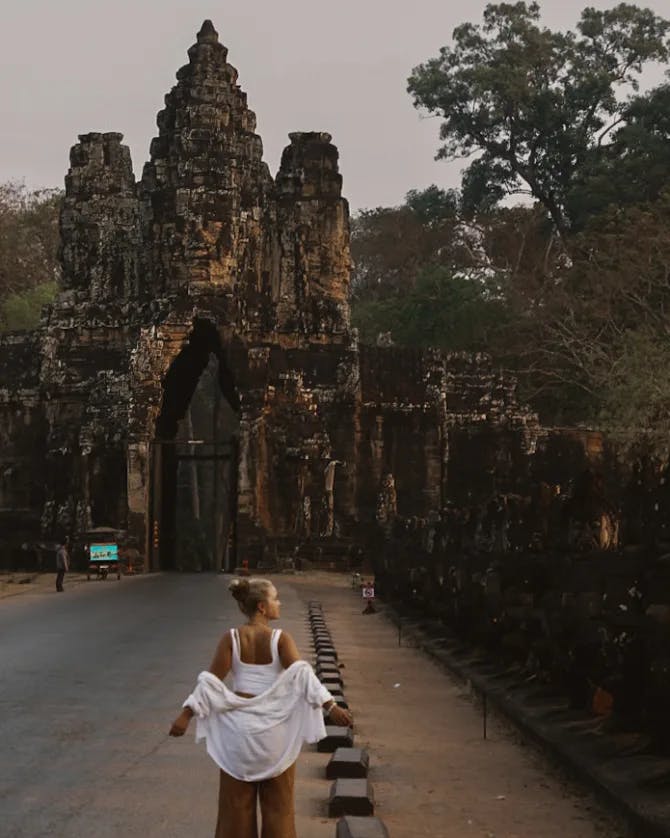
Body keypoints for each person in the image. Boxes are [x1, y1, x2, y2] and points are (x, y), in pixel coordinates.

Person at [169, 577, 352, 838]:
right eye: (275, 599)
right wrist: (330, 705)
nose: (280, 603)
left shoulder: (231, 638)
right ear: (263, 607)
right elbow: (303, 674)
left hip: (238, 737)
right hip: (273, 737)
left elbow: (210, 682)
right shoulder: (280, 639)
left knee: (235, 809)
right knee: (279, 808)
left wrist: (185, 716)